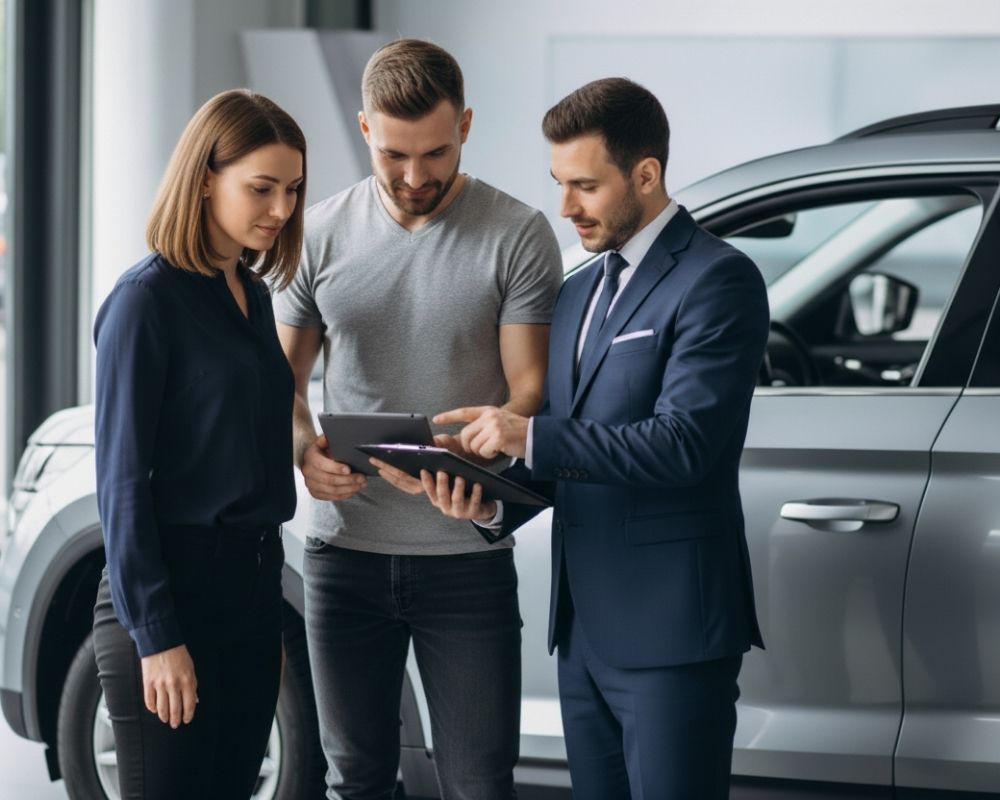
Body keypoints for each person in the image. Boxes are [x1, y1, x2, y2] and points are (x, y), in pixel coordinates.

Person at [417, 78, 769, 799]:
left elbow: (684, 445)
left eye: (585, 185)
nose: (566, 207)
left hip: (672, 635)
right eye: (559, 184)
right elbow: (566, 457)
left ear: (646, 174)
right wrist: (486, 502)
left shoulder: (719, 280)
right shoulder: (575, 293)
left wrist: (528, 433)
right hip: (581, 640)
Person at [274, 39, 562, 800]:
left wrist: (492, 454)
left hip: (465, 560)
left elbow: (529, 391)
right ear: (365, 129)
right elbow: (286, 384)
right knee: (356, 779)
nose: (414, 176)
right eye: (395, 154)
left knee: (477, 782)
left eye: (435, 152)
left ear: (465, 125)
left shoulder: (518, 232)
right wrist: (305, 451)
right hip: (344, 558)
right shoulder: (319, 233)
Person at [92, 88, 306, 800]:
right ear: (205, 177)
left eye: (293, 190)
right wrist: (156, 635)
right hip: (172, 594)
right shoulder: (144, 302)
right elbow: (122, 486)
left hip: (251, 587)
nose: (280, 209)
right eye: (262, 188)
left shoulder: (253, 294)